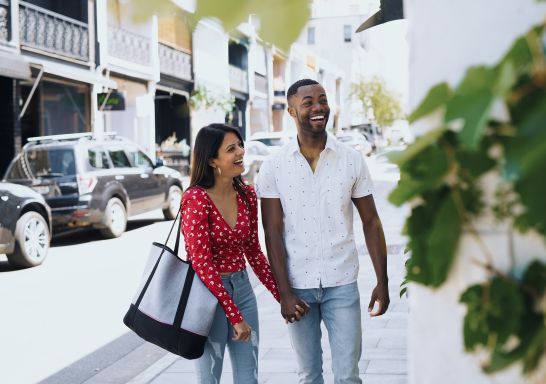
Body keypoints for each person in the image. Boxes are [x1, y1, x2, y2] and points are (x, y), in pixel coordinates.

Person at [256, 79, 390, 384]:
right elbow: (272, 232)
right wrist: (284, 293)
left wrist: (382, 281)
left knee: (347, 376)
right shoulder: (274, 166)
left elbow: (372, 222)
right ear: (291, 111)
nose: (318, 107)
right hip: (298, 285)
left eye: (323, 100)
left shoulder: (351, 159)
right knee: (309, 375)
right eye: (308, 103)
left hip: (341, 282)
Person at [180, 124, 280, 384]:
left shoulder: (247, 194)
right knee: (209, 379)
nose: (241, 152)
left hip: (243, 289)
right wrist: (234, 317)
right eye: (231, 148)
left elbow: (254, 252)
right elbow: (202, 265)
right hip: (207, 296)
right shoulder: (196, 199)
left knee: (249, 377)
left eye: (240, 145)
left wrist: (282, 296)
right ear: (212, 160)